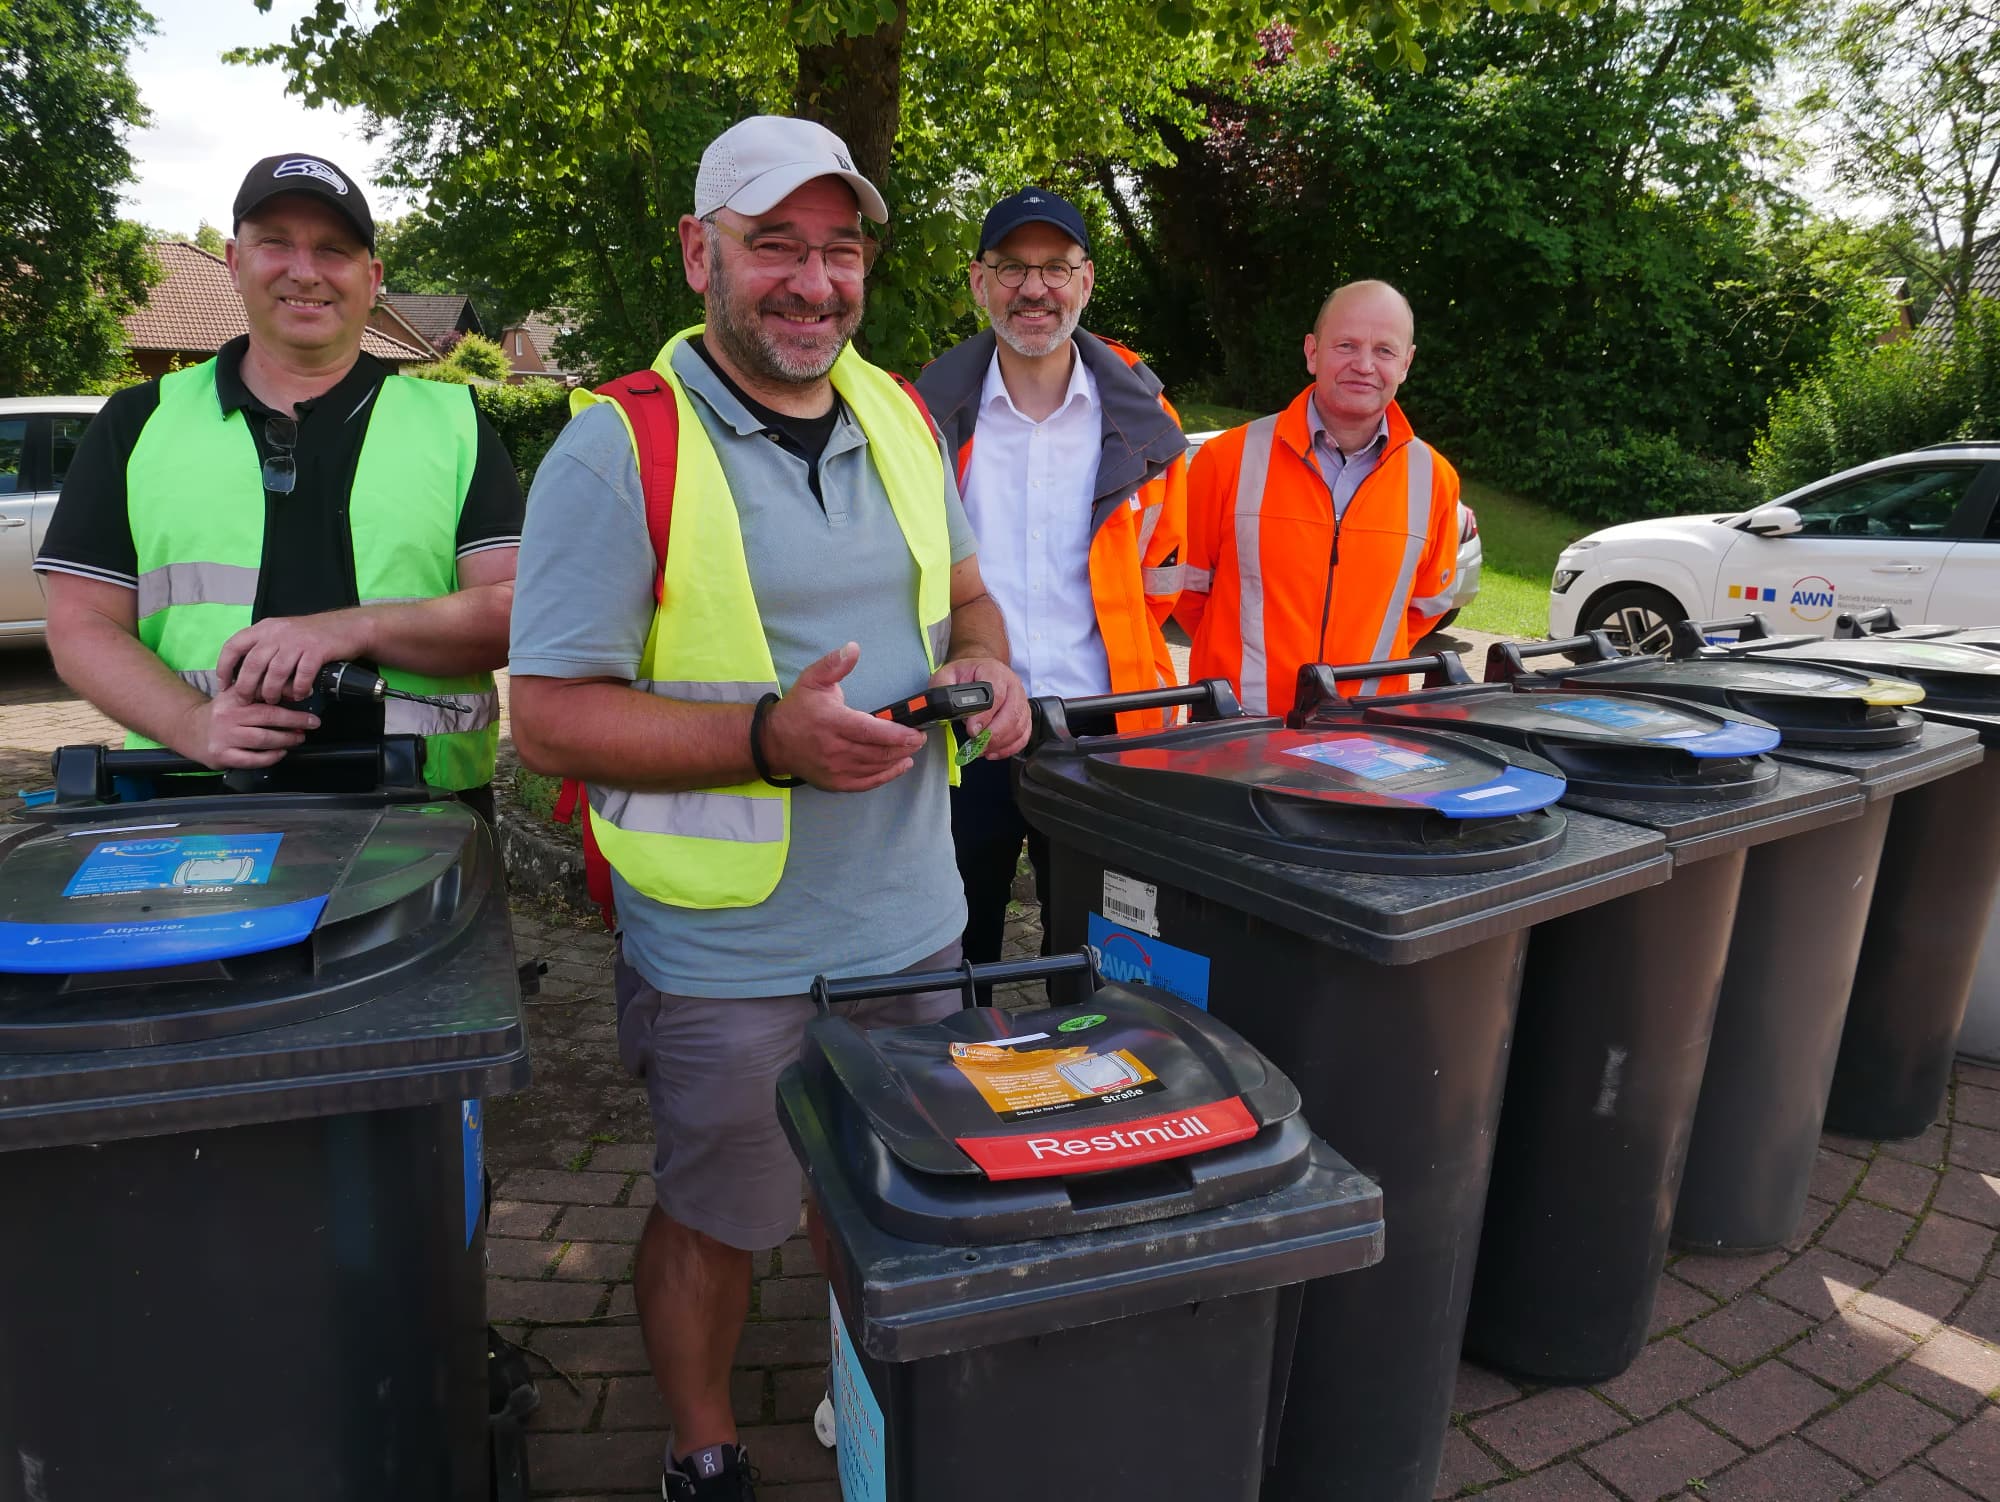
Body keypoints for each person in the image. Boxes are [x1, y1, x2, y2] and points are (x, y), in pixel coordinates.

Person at [506, 115, 1029, 1501]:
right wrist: (764, 738)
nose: (812, 281)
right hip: (731, 948)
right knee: (717, 1217)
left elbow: (969, 602)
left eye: (839, 249)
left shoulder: (902, 411)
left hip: (915, 921)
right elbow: (547, 714)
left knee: (897, 1204)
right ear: (701, 253)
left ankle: (864, 1418)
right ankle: (699, 1444)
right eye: (774, 246)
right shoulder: (618, 449)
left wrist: (990, 666)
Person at [36, 153, 520, 812]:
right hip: (191, 808)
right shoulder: (138, 422)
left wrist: (347, 630)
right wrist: (189, 724)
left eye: (333, 250)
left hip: (420, 814)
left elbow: (514, 611)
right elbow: (81, 624)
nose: (304, 271)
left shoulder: (454, 424)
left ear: (372, 278)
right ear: (234, 262)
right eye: (275, 244)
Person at [916, 186, 1187, 982]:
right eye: (1012, 268)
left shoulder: (1144, 420)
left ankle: (1108, 1095)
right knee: (956, 949)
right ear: (978, 282)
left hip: (1105, 728)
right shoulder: (922, 417)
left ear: (1086, 281)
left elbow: (1165, 580)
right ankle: (960, 1088)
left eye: (1055, 268)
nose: (1034, 288)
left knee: (1109, 954)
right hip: (963, 726)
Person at [1174, 278, 1461, 717]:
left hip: (1370, 738)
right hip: (1235, 732)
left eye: (1384, 350)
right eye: (1346, 345)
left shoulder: (1434, 479)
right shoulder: (1226, 459)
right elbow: (1187, 594)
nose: (1364, 365)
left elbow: (1424, 609)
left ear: (1406, 363)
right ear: (1312, 352)